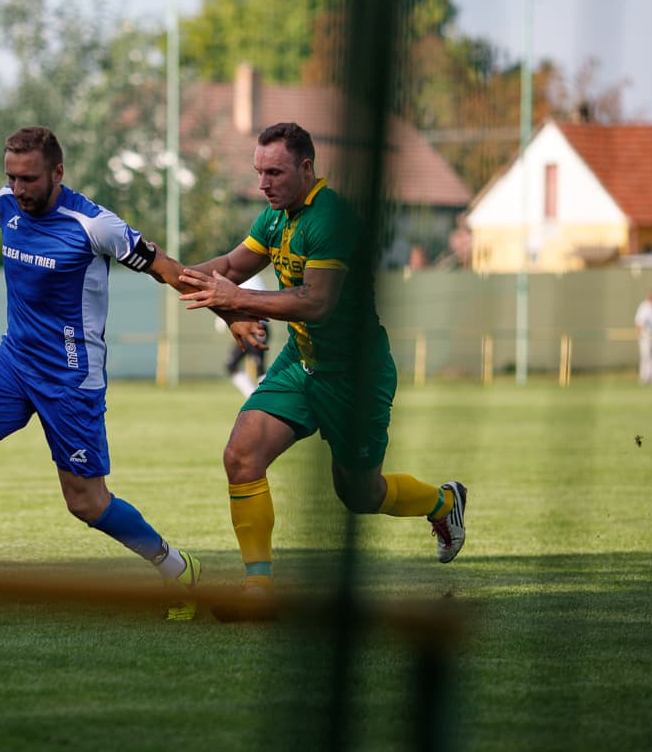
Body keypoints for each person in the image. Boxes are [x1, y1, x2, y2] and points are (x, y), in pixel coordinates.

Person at [0, 126, 202, 621]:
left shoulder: (95, 226)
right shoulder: (8, 203)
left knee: (87, 504)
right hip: (14, 361)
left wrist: (233, 312)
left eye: (28, 179)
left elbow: (166, 268)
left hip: (71, 377)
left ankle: (179, 569)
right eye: (10, 177)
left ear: (57, 173)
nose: (18, 189)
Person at [176, 122, 467, 621]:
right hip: (302, 364)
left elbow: (317, 303)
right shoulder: (275, 217)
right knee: (241, 456)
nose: (264, 183)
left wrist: (235, 300)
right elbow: (228, 265)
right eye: (258, 172)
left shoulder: (331, 217)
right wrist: (164, 268)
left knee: (358, 494)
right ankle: (258, 588)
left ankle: (443, 502)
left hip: (356, 376)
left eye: (275, 172)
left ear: (306, 168)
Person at [219, 271, 271, 398]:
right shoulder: (242, 275)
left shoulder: (249, 277)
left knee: (259, 368)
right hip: (246, 329)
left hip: (257, 327)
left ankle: (266, 399)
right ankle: (252, 397)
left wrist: (223, 317)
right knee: (231, 365)